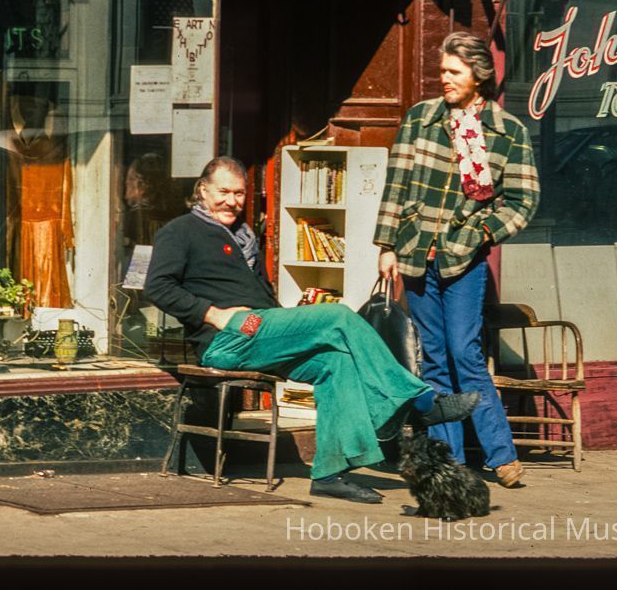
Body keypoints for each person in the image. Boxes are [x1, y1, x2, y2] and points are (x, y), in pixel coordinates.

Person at [144, 156, 481, 504]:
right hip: (226, 339)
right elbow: (157, 287)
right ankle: (420, 399)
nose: (232, 200)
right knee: (337, 316)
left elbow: (260, 298)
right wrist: (214, 315)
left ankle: (328, 473)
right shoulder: (181, 230)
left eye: (240, 193)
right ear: (202, 190)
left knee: (337, 362)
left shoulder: (243, 235)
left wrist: (285, 324)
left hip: (262, 332)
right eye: (223, 192)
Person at [374, 32, 540, 489]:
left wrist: (478, 233)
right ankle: (447, 459)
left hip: (463, 260)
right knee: (434, 361)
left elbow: (523, 200)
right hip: (415, 253)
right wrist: (387, 245)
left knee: (464, 352)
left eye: (454, 72)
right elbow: (397, 185)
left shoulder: (507, 132)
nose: (444, 80)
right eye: (442, 72)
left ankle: (500, 455)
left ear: (478, 76)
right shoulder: (420, 120)